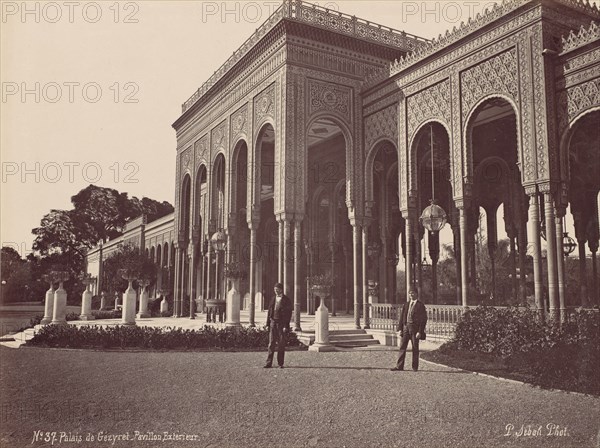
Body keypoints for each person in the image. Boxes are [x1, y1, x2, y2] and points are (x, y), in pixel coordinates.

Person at [391, 288, 427, 372]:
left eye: (413, 293)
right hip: (406, 328)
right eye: (410, 293)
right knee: (402, 347)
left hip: (415, 329)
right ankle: (399, 366)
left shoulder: (420, 305)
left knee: (415, 348)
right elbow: (402, 317)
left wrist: (420, 331)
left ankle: (415, 367)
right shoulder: (406, 304)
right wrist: (400, 328)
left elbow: (423, 319)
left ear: (417, 294)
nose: (411, 295)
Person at [264, 283, 293, 369]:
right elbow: (269, 312)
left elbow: (288, 314)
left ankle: (280, 363)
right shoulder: (273, 299)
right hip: (273, 322)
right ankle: (268, 363)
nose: (276, 291)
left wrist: (286, 326)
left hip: (281, 324)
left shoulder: (286, 300)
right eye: (275, 290)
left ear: (281, 290)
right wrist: (267, 324)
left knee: (281, 344)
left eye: (277, 290)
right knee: (271, 343)